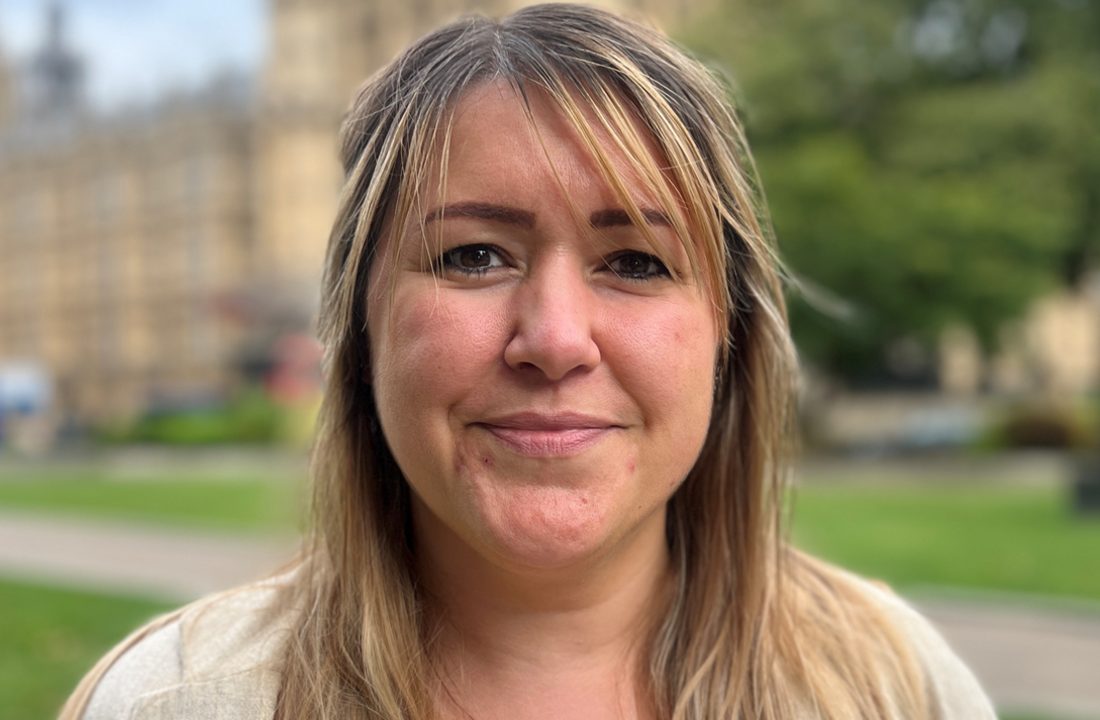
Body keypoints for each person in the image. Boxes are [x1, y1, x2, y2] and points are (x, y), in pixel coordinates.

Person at [61, 5, 996, 719]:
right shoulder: (184, 703)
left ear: (730, 331)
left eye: (635, 262)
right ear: (360, 322)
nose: (554, 339)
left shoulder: (892, 685)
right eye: (473, 255)